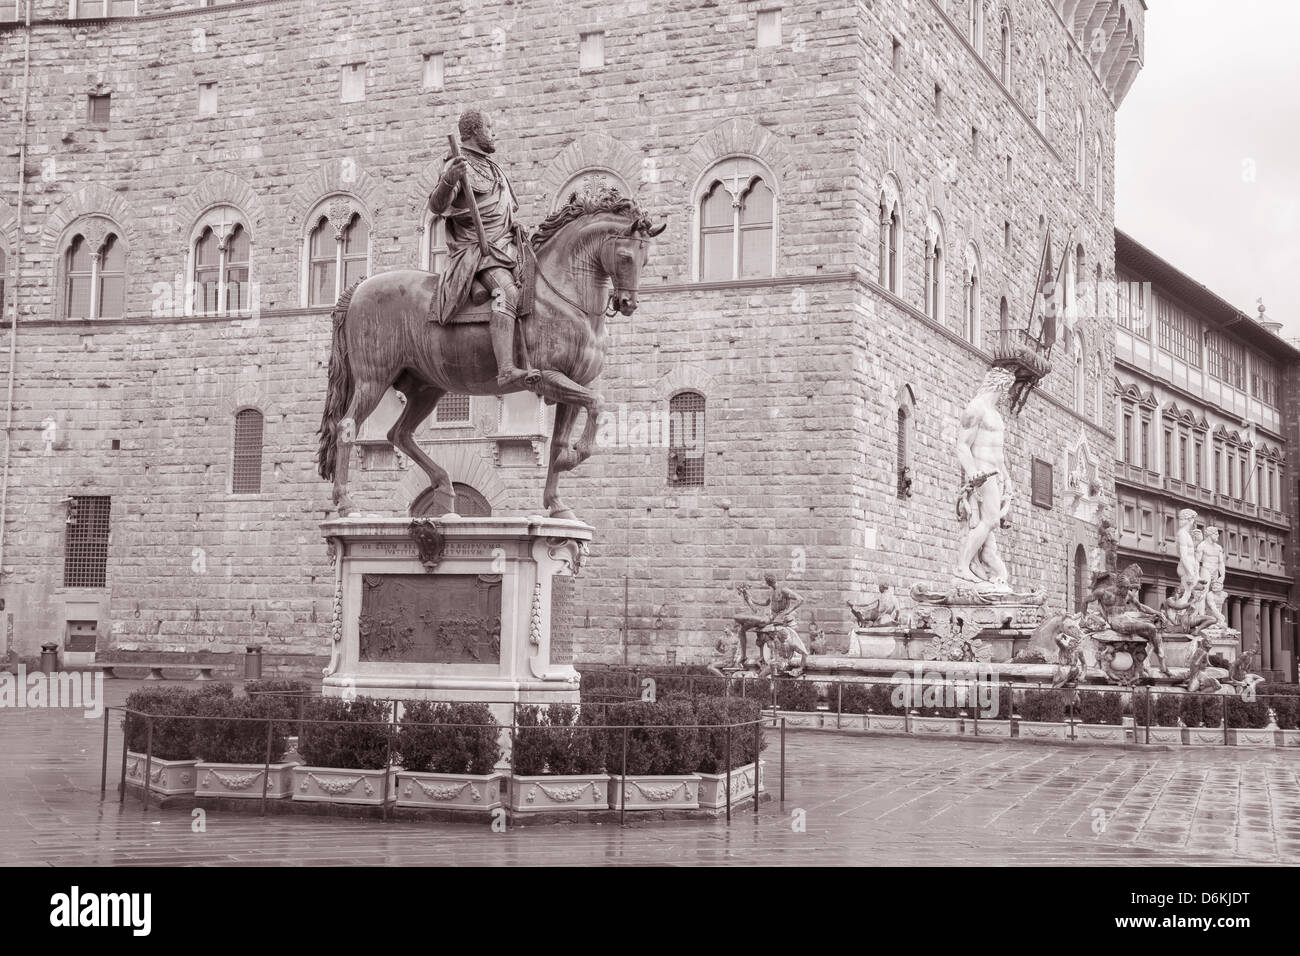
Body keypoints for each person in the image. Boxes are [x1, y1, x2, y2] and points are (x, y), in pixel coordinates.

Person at [427, 108, 537, 389]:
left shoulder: (492, 167)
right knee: (508, 293)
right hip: (479, 251)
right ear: (475, 131)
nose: (494, 132)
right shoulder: (456, 163)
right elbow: (437, 206)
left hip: (506, 246)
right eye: (489, 126)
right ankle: (506, 369)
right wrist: (448, 179)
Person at [953, 367, 1016, 590]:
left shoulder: (995, 413)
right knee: (990, 521)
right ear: (1001, 385)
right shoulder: (976, 408)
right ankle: (961, 566)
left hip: (996, 475)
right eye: (1007, 389)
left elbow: (998, 451)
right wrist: (972, 473)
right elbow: (962, 445)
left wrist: (1007, 479)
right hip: (983, 474)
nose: (1007, 394)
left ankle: (978, 566)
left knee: (988, 526)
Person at [1081, 563, 1170, 676]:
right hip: (1116, 622)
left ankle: (1161, 661)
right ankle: (1160, 658)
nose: (1128, 591)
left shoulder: (1127, 594)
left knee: (1154, 633)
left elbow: (1141, 607)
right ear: (1119, 586)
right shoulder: (1104, 593)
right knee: (1151, 627)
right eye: (1126, 588)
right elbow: (1085, 601)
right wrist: (1082, 619)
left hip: (1127, 620)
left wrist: (1157, 612)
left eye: (1128, 588)